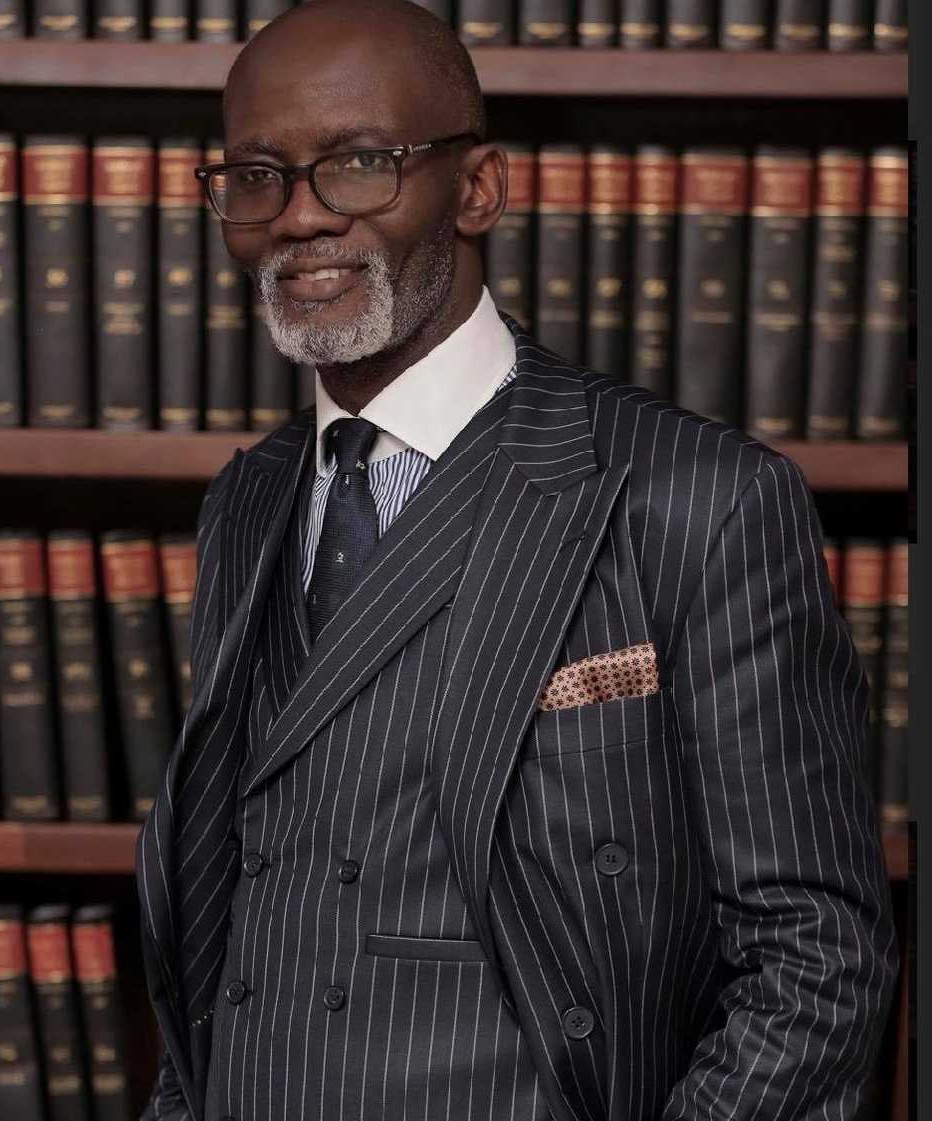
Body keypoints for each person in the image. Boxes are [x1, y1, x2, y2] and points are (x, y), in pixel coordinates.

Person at [136, 2, 898, 1118]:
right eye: (257, 175)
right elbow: (221, 919)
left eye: (359, 164)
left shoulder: (698, 497)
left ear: (480, 187)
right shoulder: (247, 501)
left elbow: (814, 961)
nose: (300, 215)